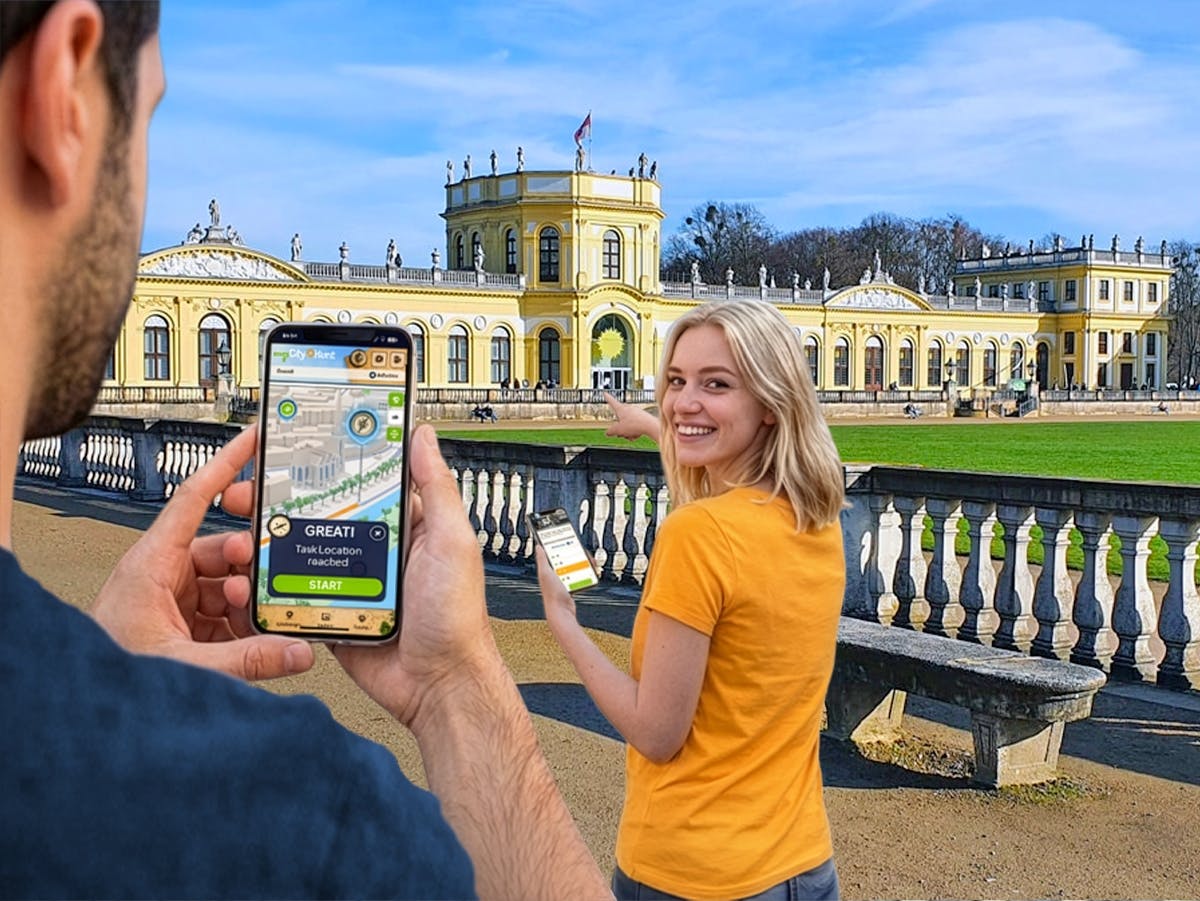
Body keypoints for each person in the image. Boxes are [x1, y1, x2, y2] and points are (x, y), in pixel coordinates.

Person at [0, 3, 607, 898]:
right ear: (63, 90)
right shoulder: (303, 823)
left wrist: (100, 676)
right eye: (148, 115)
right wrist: (456, 685)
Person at [540, 300, 847, 900]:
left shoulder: (699, 535)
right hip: (803, 863)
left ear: (770, 402)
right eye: (676, 381)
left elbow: (656, 734)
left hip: (693, 871)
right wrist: (653, 425)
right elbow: (722, 468)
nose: (683, 402)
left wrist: (563, 621)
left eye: (716, 384)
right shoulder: (816, 515)